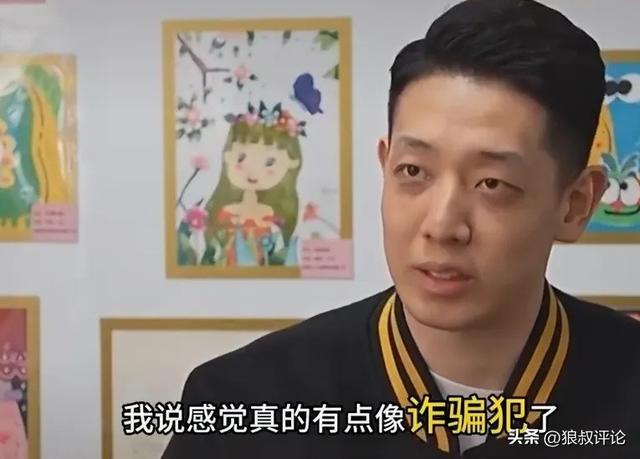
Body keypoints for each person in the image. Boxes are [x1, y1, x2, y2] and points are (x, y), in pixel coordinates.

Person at [162, 0, 640, 457]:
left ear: (575, 204)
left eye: (492, 183)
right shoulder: (243, 402)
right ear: (385, 165)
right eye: (413, 171)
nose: (442, 225)